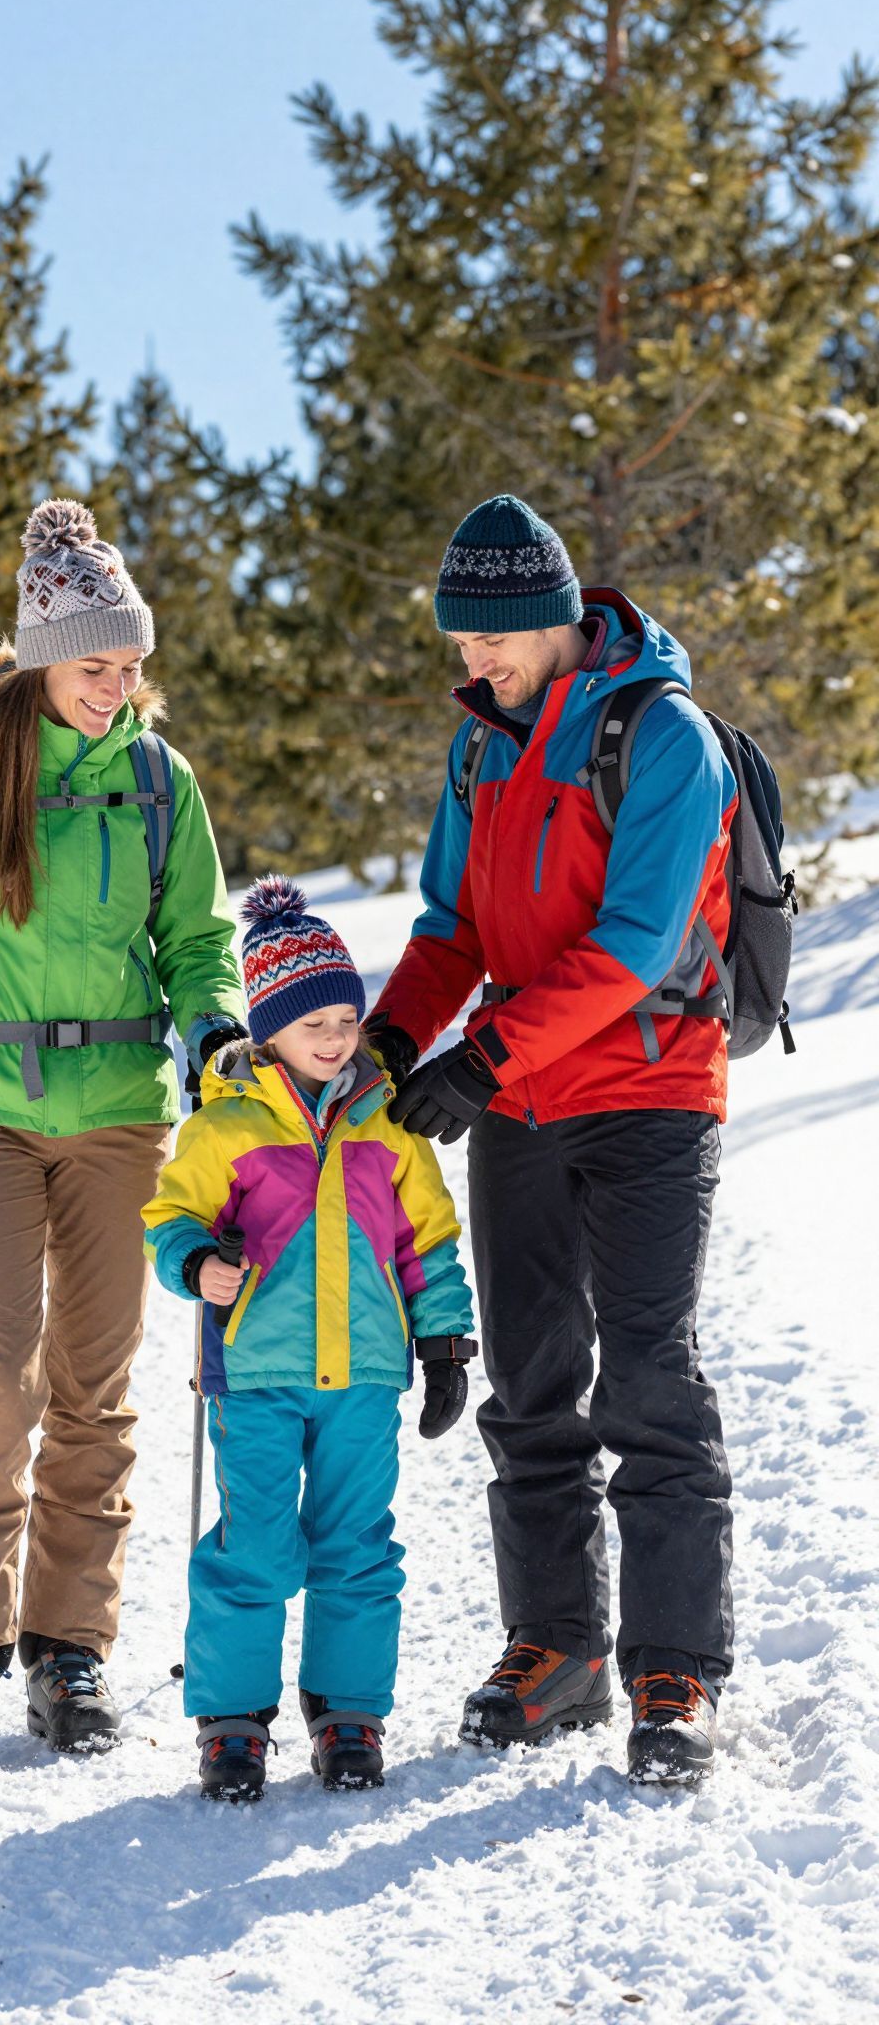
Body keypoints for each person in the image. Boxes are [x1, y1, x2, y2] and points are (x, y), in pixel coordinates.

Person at [0, 499, 247, 1765]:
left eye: (132, 666)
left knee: (95, 1386)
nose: (119, 687)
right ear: (36, 658)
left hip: (119, 1112)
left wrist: (217, 1022)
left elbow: (196, 937)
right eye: (95, 666)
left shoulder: (155, 780)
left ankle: (69, 1649)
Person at [367, 494, 737, 1785]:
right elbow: (451, 929)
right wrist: (391, 1044)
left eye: (487, 642)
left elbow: (635, 946)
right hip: (519, 1110)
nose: (469, 666)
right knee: (530, 1383)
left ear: (551, 618)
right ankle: (558, 1647)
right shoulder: (483, 751)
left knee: (649, 1380)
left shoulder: (664, 737)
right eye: (460, 644)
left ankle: (673, 1668)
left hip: (648, 1096)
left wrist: (486, 1052)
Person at [141, 877, 475, 1801]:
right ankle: (234, 1723)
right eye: (311, 1022)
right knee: (255, 1545)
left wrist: (445, 1345)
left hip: (365, 1376)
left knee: (356, 1545)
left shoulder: (393, 1129)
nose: (333, 1038)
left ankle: (350, 1714)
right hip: (254, 1376)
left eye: (345, 1018)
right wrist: (196, 1261)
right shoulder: (225, 1127)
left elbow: (430, 1245)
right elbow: (170, 1219)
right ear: (268, 1029)